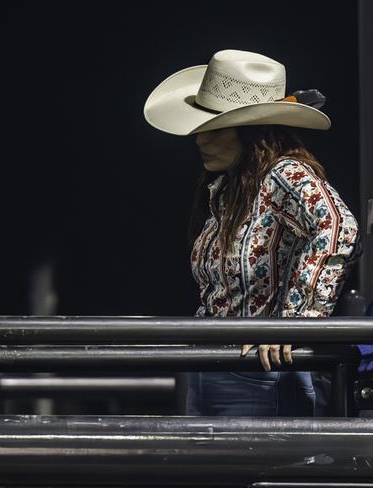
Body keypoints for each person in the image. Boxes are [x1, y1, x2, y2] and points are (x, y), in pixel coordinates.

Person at [143, 49, 359, 416]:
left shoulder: (284, 173)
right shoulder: (232, 187)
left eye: (214, 129)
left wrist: (295, 321)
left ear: (251, 131)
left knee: (261, 471)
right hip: (213, 362)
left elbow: (338, 227)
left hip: (259, 373)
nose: (199, 139)